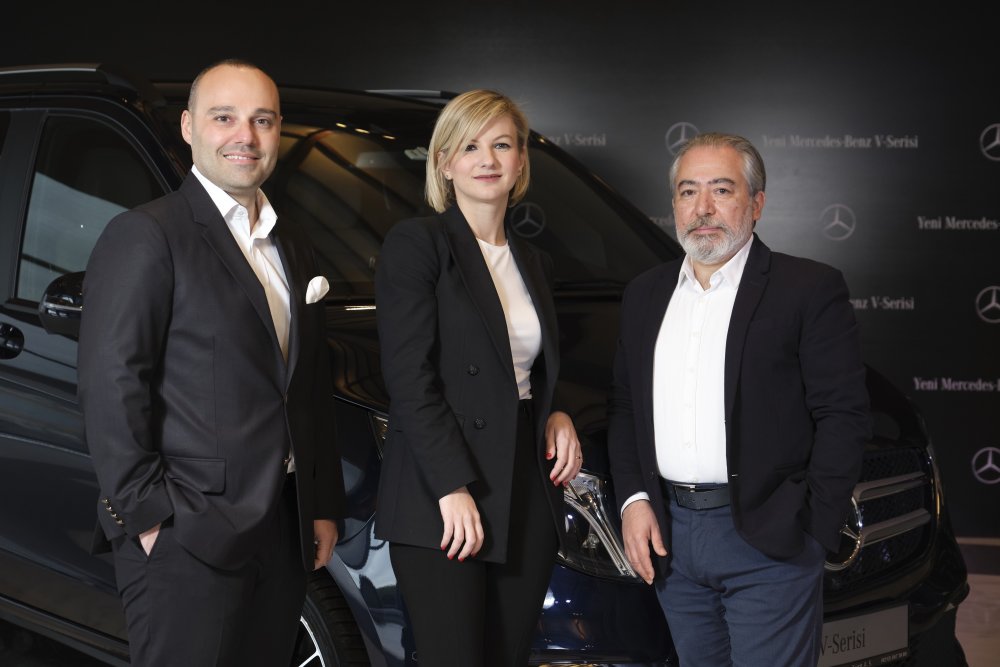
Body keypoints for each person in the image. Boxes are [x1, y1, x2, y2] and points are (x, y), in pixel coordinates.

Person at [77, 59, 346, 667]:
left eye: (262, 120)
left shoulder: (293, 243)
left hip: (283, 528)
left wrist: (321, 503)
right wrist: (150, 518)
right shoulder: (147, 234)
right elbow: (111, 385)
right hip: (186, 531)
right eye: (224, 118)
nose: (244, 136)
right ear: (188, 127)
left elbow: (305, 388)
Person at [607, 132, 870, 666]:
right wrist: (634, 500)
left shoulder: (807, 289)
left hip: (770, 539)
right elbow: (627, 407)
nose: (702, 208)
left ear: (757, 203)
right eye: (688, 192)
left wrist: (813, 531)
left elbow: (842, 414)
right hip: (671, 541)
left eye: (721, 190)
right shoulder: (644, 294)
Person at [374, 89, 582, 666]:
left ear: (521, 161)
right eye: (469, 146)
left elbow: (524, 365)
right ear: (444, 163)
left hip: (523, 486)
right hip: (442, 488)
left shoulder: (533, 261)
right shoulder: (418, 244)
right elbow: (409, 377)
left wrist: (556, 409)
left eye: (502, 145)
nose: (487, 159)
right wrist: (451, 485)